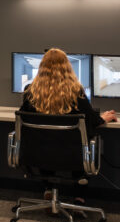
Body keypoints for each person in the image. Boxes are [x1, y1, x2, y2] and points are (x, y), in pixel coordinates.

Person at [19, 48, 117, 203]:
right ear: (67, 67)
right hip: (72, 155)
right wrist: (103, 117)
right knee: (83, 143)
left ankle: (49, 189)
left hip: (38, 153)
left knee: (45, 140)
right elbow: (92, 120)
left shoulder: (30, 91)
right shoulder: (76, 91)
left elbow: (22, 119)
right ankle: (79, 197)